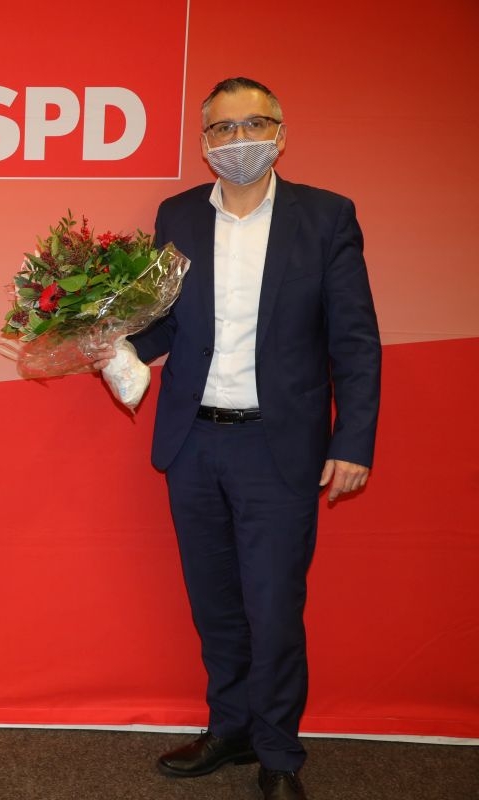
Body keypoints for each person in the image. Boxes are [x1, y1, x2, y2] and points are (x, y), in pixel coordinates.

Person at [126, 78, 381, 800]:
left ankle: (278, 752)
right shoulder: (177, 215)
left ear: (280, 132)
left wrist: (353, 440)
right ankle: (230, 728)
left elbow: (355, 339)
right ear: (204, 142)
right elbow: (163, 324)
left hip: (279, 450)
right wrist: (106, 340)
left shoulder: (326, 217)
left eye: (253, 124)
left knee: (273, 610)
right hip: (193, 446)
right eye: (222, 129)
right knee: (215, 604)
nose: (238, 139)